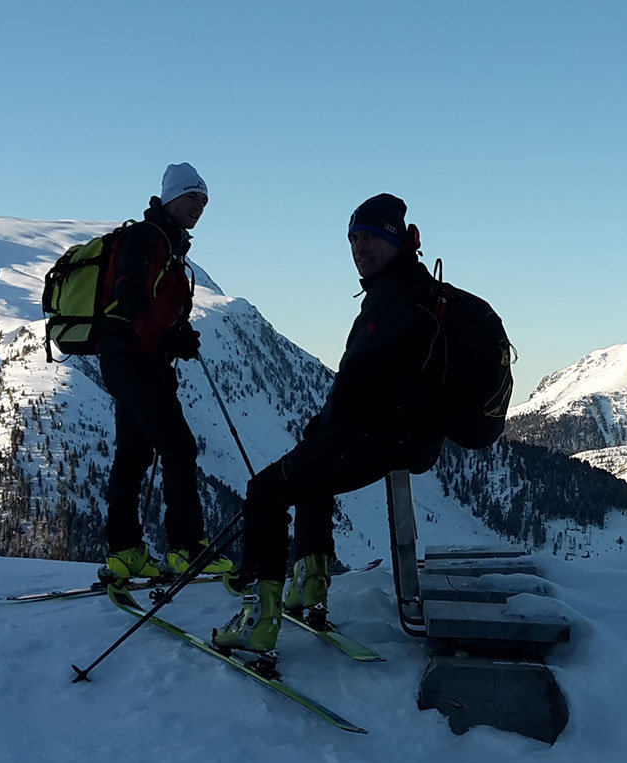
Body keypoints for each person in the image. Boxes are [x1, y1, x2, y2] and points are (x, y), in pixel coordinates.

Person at [212, 193, 446, 660]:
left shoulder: (399, 295)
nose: (360, 247)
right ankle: (310, 585)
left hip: (378, 435)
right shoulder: (403, 288)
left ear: (395, 239)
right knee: (309, 475)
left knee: (266, 491)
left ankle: (260, 620)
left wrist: (331, 421)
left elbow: (366, 376)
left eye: (371, 237)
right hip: (395, 434)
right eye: (354, 238)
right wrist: (327, 423)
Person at [96, 162, 231, 584]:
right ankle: (187, 549)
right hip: (136, 360)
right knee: (179, 448)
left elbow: (154, 303)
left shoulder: (166, 244)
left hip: (131, 359)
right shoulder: (148, 239)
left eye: (204, 200)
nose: (199, 206)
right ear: (171, 196)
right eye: (193, 197)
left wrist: (176, 333)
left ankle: (125, 552)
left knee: (134, 455)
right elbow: (130, 297)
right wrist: (167, 337)